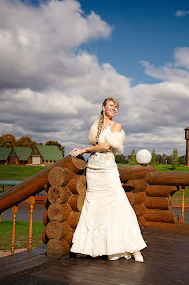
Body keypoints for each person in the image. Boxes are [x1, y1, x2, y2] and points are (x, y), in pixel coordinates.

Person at [69, 98, 146, 262]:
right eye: (111, 105)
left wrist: (85, 149)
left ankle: (134, 248)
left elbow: (105, 147)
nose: (114, 109)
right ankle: (88, 247)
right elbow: (96, 144)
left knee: (119, 204)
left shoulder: (116, 126)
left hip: (107, 170)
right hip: (93, 170)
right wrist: (84, 153)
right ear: (103, 107)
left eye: (117, 107)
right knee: (93, 208)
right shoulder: (95, 125)